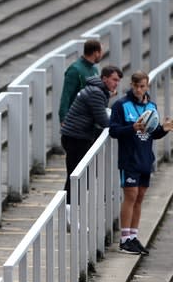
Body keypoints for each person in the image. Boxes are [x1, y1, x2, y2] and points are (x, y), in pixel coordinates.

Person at [109, 71, 173, 255]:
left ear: (147, 86)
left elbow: (153, 132)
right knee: (131, 196)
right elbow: (113, 131)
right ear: (131, 85)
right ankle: (124, 240)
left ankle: (133, 237)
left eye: (142, 86)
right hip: (129, 159)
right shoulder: (121, 105)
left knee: (140, 198)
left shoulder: (151, 105)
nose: (138, 89)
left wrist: (165, 129)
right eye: (135, 86)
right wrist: (132, 127)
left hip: (145, 159)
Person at [60, 66, 122, 215]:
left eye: (118, 81)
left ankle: (70, 209)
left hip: (76, 136)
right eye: (114, 80)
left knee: (78, 175)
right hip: (76, 138)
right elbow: (103, 120)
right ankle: (69, 210)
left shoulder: (96, 89)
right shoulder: (96, 93)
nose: (116, 84)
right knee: (77, 176)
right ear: (104, 78)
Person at [59, 39, 104, 124]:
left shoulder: (94, 69)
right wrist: (63, 118)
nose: (102, 54)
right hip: (76, 120)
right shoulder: (75, 70)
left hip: (90, 119)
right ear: (96, 53)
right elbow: (66, 95)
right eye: (101, 52)